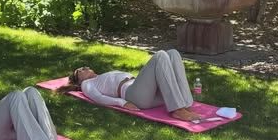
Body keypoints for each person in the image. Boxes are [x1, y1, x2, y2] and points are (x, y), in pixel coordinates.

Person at [63, 50, 201, 122]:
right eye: (79, 70)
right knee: (160, 56)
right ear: (78, 81)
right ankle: (177, 109)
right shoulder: (87, 84)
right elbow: (98, 98)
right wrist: (122, 103)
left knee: (173, 53)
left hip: (145, 91)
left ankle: (185, 103)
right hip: (134, 95)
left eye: (84, 66)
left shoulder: (100, 76)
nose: (84, 68)